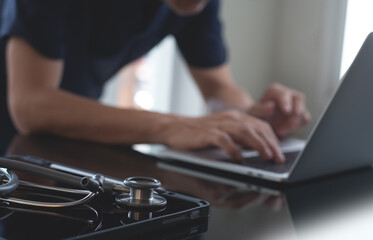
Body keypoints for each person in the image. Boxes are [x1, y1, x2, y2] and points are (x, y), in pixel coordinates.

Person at [0, 0, 310, 162]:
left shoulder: (196, 3)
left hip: (58, 144)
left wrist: (253, 119)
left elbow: (216, 86)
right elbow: (31, 104)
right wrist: (171, 126)